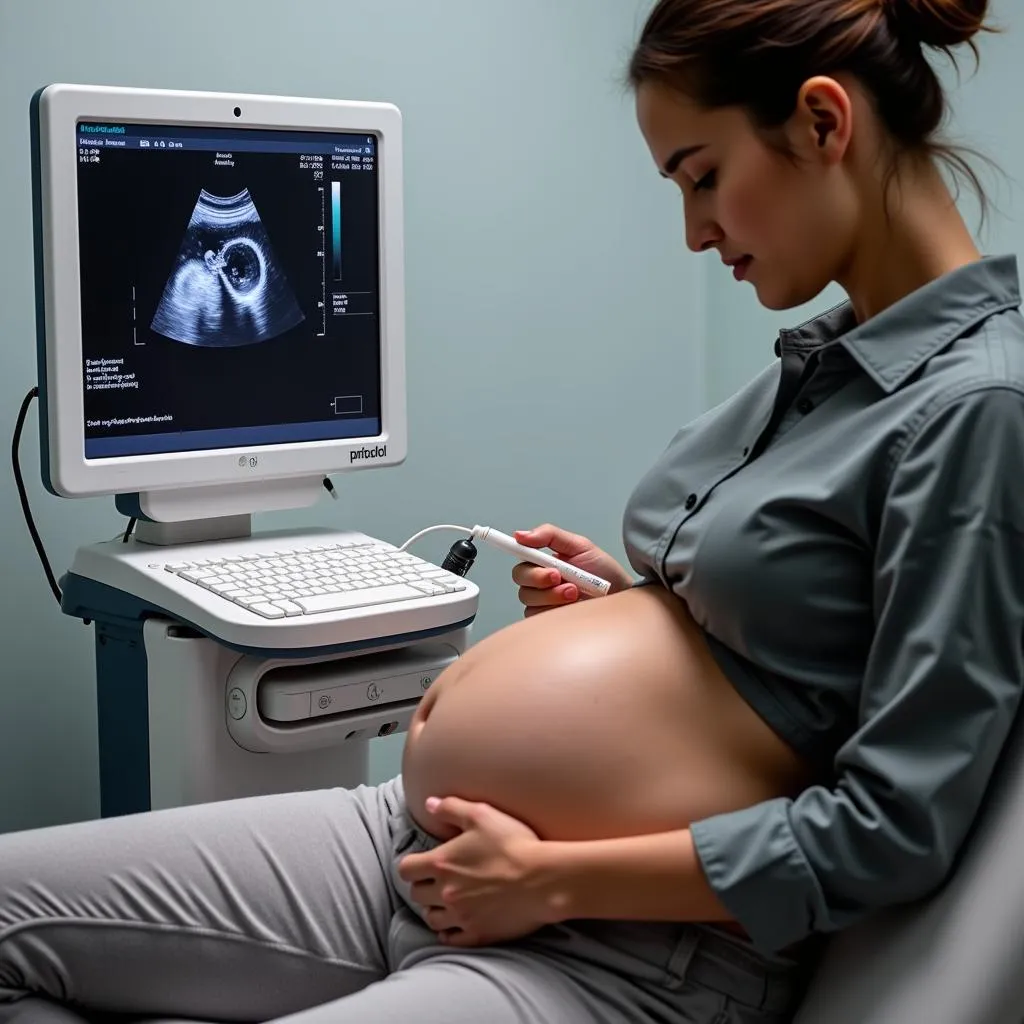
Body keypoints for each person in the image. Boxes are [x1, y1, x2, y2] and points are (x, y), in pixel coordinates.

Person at [3, 0, 1023, 1021]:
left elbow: (892, 827)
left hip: (611, 939)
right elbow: (786, 659)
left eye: (701, 175)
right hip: (417, 842)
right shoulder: (822, 368)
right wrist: (628, 608)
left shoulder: (974, 410)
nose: (694, 230)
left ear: (820, 122)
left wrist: (550, 877)